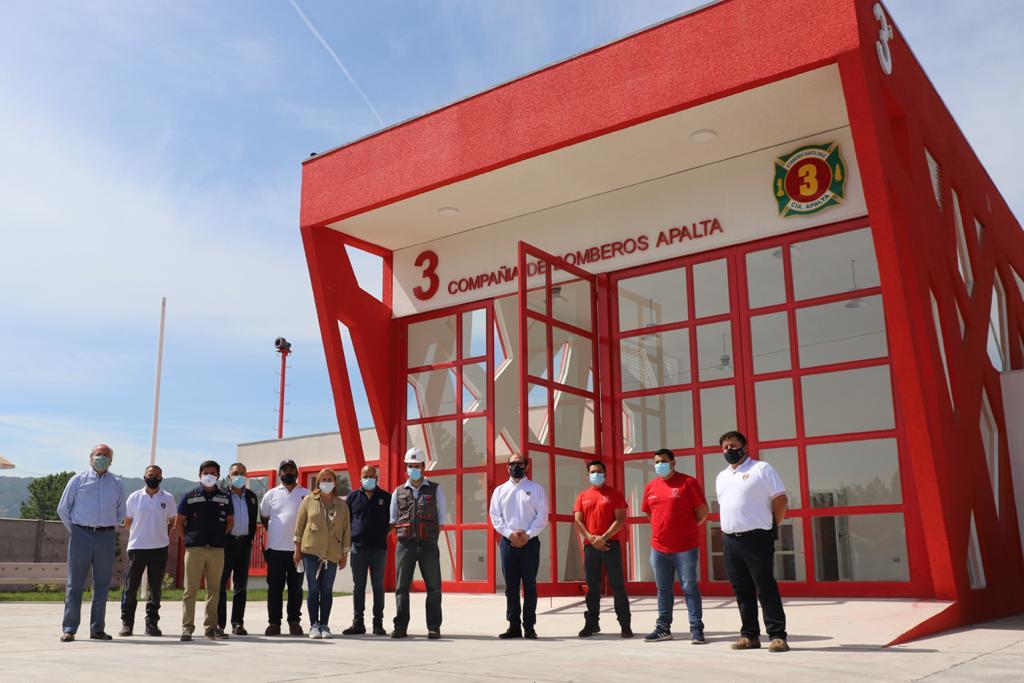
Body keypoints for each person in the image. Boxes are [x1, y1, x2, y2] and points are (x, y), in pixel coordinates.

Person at [716, 430, 790, 653]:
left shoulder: (761, 469)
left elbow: (780, 500)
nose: (729, 450)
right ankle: (749, 635)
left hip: (757, 538)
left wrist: (771, 526)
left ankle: (777, 636)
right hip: (731, 540)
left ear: (745, 448)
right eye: (725, 447)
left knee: (765, 586)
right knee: (742, 589)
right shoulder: (722, 476)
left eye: (733, 445)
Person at [56, 444, 126, 642]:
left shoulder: (117, 483)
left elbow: (121, 511)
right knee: (74, 584)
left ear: (111, 461)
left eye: (106, 456)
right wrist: (76, 531)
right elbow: (63, 508)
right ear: (90, 458)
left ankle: (97, 629)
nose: (101, 458)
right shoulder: (78, 480)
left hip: (106, 536)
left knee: (102, 584)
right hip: (81, 534)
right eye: (98, 455)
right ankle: (69, 628)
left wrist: (109, 527)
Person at [641, 448, 709, 644]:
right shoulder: (651, 487)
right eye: (656, 461)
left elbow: (703, 511)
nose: (659, 464)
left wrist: (685, 528)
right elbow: (649, 513)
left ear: (673, 462)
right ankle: (663, 628)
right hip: (659, 548)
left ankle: (696, 629)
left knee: (689, 587)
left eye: (663, 460)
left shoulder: (688, 482)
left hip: (685, 547)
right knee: (663, 589)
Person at [488, 452, 548, 639]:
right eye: (512, 463)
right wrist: (510, 534)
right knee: (511, 587)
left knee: (529, 585)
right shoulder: (499, 491)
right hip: (508, 543)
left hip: (530, 543)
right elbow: (495, 516)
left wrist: (527, 535)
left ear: (526, 466)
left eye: (519, 463)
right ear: (507, 467)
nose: (516, 466)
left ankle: (529, 626)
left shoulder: (536, 489)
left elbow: (542, 516)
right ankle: (513, 626)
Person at [390, 447, 447, 639]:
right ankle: (400, 627)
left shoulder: (436, 489)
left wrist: (430, 538)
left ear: (423, 467)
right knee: (401, 588)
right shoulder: (397, 492)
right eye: (410, 466)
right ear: (406, 467)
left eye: (416, 465)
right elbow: (393, 519)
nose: (413, 469)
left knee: (433, 587)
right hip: (404, 545)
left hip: (428, 545)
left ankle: (433, 627)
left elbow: (442, 520)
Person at [176, 460, 234, 641]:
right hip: (195, 549)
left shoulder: (225, 496)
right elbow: (179, 523)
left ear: (218, 476)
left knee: (214, 589)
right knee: (190, 590)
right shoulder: (189, 495)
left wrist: (219, 537)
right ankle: (187, 627)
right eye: (206, 472)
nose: (209, 476)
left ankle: (211, 627)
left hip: (216, 549)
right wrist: (188, 540)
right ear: (200, 474)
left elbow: (230, 522)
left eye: (213, 473)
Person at [573, 460, 631, 638]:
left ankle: (625, 624)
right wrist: (590, 538)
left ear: (605, 474)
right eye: (592, 472)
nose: (595, 475)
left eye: (599, 472)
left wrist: (604, 537)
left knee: (617, 585)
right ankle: (592, 624)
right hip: (590, 546)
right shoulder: (583, 496)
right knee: (593, 587)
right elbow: (578, 520)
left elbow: (620, 519)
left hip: (610, 545)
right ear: (588, 475)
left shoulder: (614, 494)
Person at [293, 468, 351, 639]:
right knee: (313, 588)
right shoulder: (308, 501)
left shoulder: (341, 505)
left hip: (332, 554)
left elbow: (346, 531)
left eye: (329, 479)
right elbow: (299, 526)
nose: (326, 482)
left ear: (335, 482)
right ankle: (313, 625)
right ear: (318, 482)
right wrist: (297, 550)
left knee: (326, 590)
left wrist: (344, 555)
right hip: (311, 551)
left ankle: (324, 625)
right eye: (323, 479)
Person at [119, 464, 176, 637]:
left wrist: (159, 536)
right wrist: (140, 534)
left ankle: (152, 624)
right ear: (144, 476)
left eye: (157, 475)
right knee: (131, 587)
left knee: (156, 588)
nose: (153, 477)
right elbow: (127, 522)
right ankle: (127, 623)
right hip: (137, 548)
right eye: (150, 474)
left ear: (161, 478)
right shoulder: (134, 497)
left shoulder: (168, 498)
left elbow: (172, 522)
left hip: (159, 548)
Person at [260, 459, 310, 636]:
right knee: (275, 588)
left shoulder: (307, 494)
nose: (288, 472)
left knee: (296, 589)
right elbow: (265, 519)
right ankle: (274, 623)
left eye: (291, 469)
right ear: (279, 473)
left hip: (299, 550)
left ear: (297, 472)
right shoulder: (271, 494)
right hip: (275, 550)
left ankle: (294, 622)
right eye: (284, 470)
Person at [344, 464, 391, 636]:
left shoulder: (386, 497)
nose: (368, 479)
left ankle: (378, 623)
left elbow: (392, 521)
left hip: (379, 549)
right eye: (365, 476)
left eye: (372, 476)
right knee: (359, 586)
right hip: (358, 549)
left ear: (376, 478)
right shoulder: (352, 497)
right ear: (360, 478)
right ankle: (358, 623)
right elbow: (346, 521)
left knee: (378, 586)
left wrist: (382, 534)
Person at [218, 462, 259, 635]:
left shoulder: (251, 496)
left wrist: (249, 539)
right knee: (220, 585)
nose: (239, 476)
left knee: (241, 586)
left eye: (242, 473)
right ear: (229, 477)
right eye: (235, 473)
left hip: (243, 544)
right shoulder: (222, 496)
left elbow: (253, 519)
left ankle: (237, 623)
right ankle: (219, 624)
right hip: (226, 545)